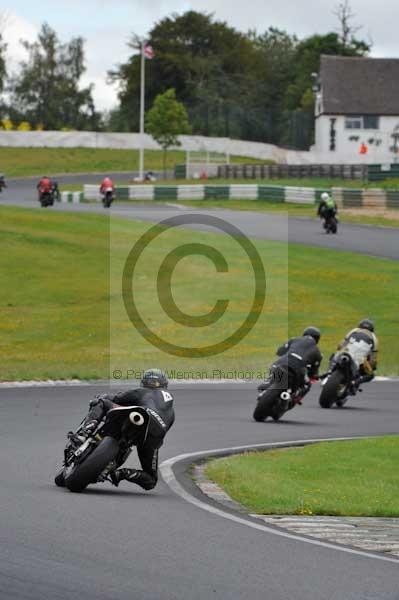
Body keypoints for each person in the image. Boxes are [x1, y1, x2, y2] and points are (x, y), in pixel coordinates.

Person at [79, 368, 174, 491]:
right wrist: (152, 446)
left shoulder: (144, 391)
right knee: (150, 480)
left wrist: (101, 396)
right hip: (154, 434)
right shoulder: (172, 412)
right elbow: (161, 436)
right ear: (165, 385)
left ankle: (84, 432)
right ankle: (122, 473)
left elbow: (117, 398)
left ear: (145, 382)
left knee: (102, 402)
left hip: (142, 415)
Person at [260, 327, 322, 401]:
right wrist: (313, 376)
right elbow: (313, 372)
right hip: (299, 368)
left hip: (282, 362)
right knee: (307, 385)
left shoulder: (294, 339)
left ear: (304, 334)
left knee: (275, 366)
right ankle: (295, 399)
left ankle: (268, 381)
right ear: (317, 339)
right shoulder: (318, 352)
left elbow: (280, 352)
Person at [335, 319, 378, 390]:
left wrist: (339, 351)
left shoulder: (354, 330)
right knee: (371, 375)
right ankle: (355, 382)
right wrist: (373, 366)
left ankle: (329, 372)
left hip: (346, 352)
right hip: (360, 359)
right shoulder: (374, 338)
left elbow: (341, 344)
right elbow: (373, 358)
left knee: (334, 356)